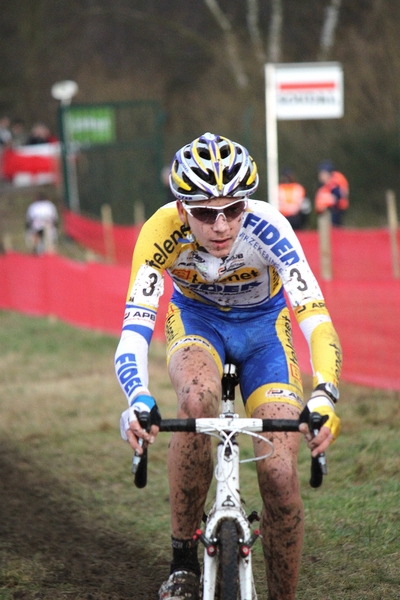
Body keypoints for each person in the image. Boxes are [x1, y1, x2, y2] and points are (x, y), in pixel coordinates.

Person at [115, 132, 342, 600]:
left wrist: (325, 394)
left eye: (233, 209)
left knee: (280, 473)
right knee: (196, 399)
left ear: (247, 203)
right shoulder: (159, 233)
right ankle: (183, 563)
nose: (220, 226)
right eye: (203, 212)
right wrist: (137, 397)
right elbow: (134, 331)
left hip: (265, 329)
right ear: (182, 209)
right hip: (197, 321)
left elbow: (318, 321)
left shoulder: (272, 227)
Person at [315, 160, 349, 226]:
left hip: (334, 211)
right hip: (325, 213)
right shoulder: (323, 185)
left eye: (322, 173)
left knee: (335, 228)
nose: (320, 176)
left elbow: (338, 197)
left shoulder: (334, 185)